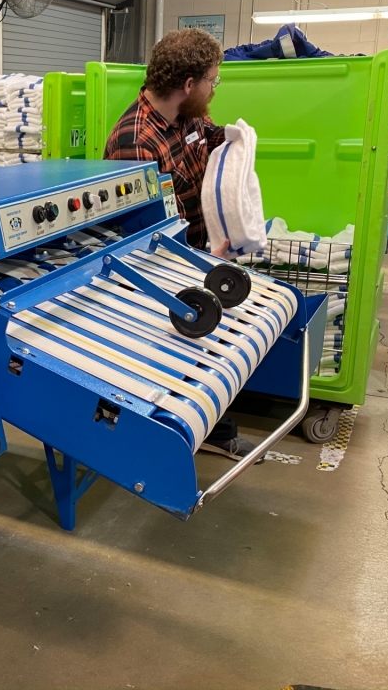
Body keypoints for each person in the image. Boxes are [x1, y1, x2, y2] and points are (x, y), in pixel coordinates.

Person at [104, 28, 256, 462]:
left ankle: (213, 427)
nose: (214, 88)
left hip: (198, 249)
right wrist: (206, 257)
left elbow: (207, 137)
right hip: (161, 263)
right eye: (213, 80)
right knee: (190, 343)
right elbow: (150, 230)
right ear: (189, 85)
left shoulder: (186, 117)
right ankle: (177, 431)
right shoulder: (137, 142)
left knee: (217, 341)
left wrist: (237, 139)